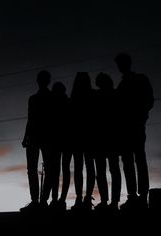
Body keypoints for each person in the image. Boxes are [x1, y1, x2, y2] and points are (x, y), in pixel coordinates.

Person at [114, 53, 154, 209]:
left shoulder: (139, 80)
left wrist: (141, 117)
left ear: (127, 64)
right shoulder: (122, 85)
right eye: (119, 64)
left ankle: (142, 196)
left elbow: (149, 100)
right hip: (125, 128)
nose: (120, 67)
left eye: (121, 64)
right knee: (129, 162)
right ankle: (133, 196)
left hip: (135, 126)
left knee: (138, 159)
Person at [20, 70, 55, 212]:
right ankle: (39, 201)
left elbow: (34, 119)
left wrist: (26, 137)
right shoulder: (35, 98)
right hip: (38, 137)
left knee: (39, 169)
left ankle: (40, 201)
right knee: (35, 170)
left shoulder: (39, 98)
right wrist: (25, 137)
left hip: (42, 137)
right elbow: (30, 119)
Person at [93, 72, 122, 211]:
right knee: (109, 170)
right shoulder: (111, 95)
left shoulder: (102, 96)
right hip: (106, 138)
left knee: (109, 170)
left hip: (108, 137)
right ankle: (109, 202)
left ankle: (111, 202)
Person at [70, 72, 96, 211]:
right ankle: (84, 198)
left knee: (81, 167)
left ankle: (82, 198)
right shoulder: (91, 95)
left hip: (80, 136)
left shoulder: (74, 98)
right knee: (86, 167)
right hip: (86, 136)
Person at [51, 81, 73, 211]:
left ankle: (59, 199)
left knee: (59, 169)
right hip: (62, 140)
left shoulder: (57, 104)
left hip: (62, 140)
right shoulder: (66, 102)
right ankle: (58, 199)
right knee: (61, 169)